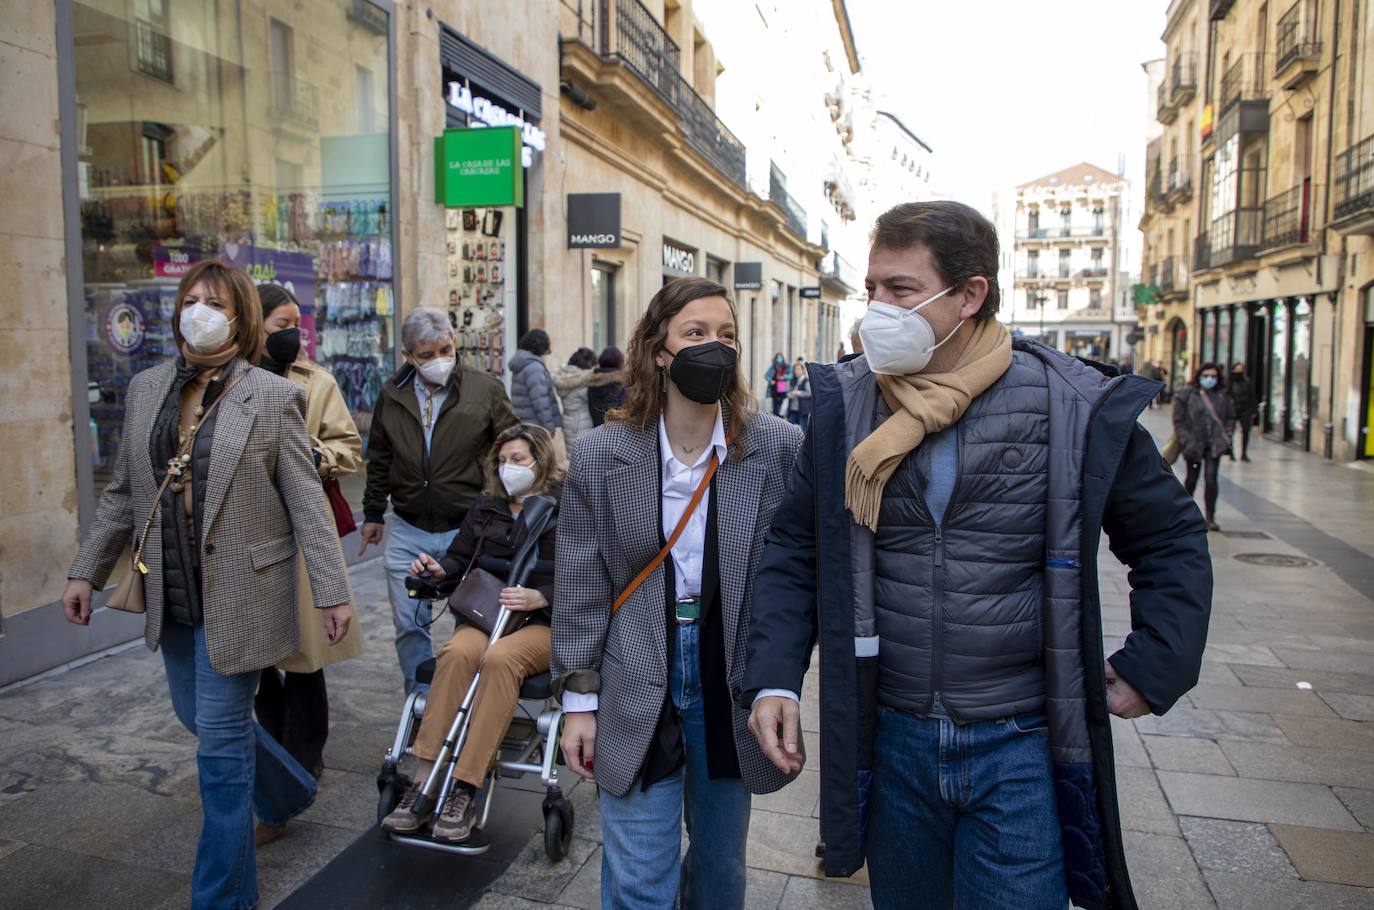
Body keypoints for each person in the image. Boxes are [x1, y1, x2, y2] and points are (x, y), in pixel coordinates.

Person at [741, 202, 1212, 910]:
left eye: (900, 290)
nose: (876, 310)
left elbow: (1169, 536)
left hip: (1020, 745)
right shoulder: (847, 404)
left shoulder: (1072, 405)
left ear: (970, 295)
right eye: (872, 289)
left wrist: (1156, 660)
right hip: (892, 739)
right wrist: (774, 677)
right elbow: (797, 545)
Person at [62, 261, 353, 910]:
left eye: (214, 302)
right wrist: (86, 568)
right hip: (170, 588)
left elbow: (305, 499)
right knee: (197, 719)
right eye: (189, 299)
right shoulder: (144, 390)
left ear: (239, 315)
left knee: (220, 754)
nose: (199, 310)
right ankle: (287, 790)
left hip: (244, 593)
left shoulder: (275, 395)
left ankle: (222, 898)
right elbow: (123, 493)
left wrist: (334, 591)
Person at [554, 277, 804, 910]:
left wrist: (782, 682)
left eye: (726, 336)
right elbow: (582, 582)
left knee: (721, 871)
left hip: (730, 676)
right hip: (637, 666)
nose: (714, 348)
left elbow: (792, 575)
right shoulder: (603, 453)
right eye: (695, 334)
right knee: (640, 876)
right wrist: (579, 700)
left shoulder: (776, 448)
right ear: (658, 350)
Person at [382, 423, 562, 843]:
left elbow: (587, 575)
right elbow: (459, 559)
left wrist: (541, 596)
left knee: (500, 660)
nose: (507, 469)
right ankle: (424, 781)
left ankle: (466, 786)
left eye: (517, 460)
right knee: (458, 653)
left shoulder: (565, 509)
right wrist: (438, 570)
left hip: (541, 622)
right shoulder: (486, 508)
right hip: (487, 615)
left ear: (540, 461)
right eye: (502, 461)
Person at [360, 308, 519, 695]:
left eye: (445, 350)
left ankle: (464, 705)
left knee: (472, 621)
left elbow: (513, 444)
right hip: (409, 527)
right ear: (408, 356)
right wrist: (372, 512)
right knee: (409, 624)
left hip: (469, 527)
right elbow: (379, 455)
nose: (438, 362)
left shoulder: (485, 389)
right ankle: (422, 703)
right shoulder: (392, 394)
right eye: (426, 355)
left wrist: (511, 503)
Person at [251, 284, 364, 779]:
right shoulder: (225, 379)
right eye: (281, 324)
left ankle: (304, 759)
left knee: (304, 651)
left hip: (299, 527)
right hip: (243, 530)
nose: (293, 334)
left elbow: (349, 447)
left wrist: (317, 455)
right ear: (253, 325)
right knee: (251, 653)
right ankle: (268, 746)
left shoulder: (316, 380)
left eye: (298, 323)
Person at [1175, 362, 1236, 532]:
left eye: (1213, 376)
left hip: (1214, 444)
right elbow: (1179, 420)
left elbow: (1231, 417)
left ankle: (1210, 517)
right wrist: (1186, 440)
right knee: (1192, 479)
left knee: (1211, 478)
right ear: (1199, 376)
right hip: (1194, 443)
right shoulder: (1188, 394)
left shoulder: (1223, 396)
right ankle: (1184, 513)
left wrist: (1227, 437)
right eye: (1206, 376)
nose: (1210, 379)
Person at [552, 346, 621, 449]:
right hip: (581, 422)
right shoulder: (581, 382)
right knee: (582, 453)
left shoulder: (564, 377)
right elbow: (595, 396)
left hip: (568, 420)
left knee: (573, 453)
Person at [509, 328, 562, 433]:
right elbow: (541, 403)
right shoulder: (534, 367)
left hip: (525, 424)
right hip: (536, 427)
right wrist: (549, 428)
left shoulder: (523, 363)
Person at [588, 346, 626, 427]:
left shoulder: (592, 382)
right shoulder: (621, 384)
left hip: (595, 431)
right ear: (620, 361)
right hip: (616, 432)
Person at [1229, 362, 1255, 461]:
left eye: (1241, 369)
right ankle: (1231, 452)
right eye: (1237, 369)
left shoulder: (1247, 381)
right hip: (1232, 410)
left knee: (1246, 431)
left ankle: (1244, 453)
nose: (1239, 372)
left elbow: (1251, 396)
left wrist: (1253, 409)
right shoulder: (1229, 382)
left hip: (1245, 409)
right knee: (1230, 432)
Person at [786, 359, 813, 434]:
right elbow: (789, 392)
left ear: (803, 370)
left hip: (802, 409)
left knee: (804, 429)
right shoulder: (793, 381)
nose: (796, 371)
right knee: (788, 427)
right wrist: (789, 394)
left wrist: (797, 393)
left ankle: (805, 445)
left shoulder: (806, 380)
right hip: (793, 408)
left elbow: (809, 393)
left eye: (798, 369)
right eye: (795, 369)